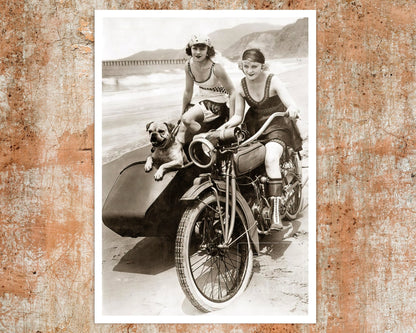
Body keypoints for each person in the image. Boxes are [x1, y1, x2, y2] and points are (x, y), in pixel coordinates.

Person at [219, 48, 303, 231]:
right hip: (254, 127)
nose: (249, 70)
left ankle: (275, 214)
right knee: (240, 158)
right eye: (246, 66)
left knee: (271, 157)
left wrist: (293, 109)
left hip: (277, 125)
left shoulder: (273, 80)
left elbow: (290, 103)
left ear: (262, 66)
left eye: (254, 66)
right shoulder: (241, 86)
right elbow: (238, 117)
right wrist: (224, 126)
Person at [178, 34, 235, 144]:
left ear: (208, 50)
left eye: (202, 48)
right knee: (181, 127)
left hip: (217, 102)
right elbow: (188, 91)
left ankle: (205, 136)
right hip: (200, 99)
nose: (198, 52)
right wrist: (182, 111)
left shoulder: (216, 68)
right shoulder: (188, 66)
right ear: (190, 49)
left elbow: (233, 92)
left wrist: (232, 120)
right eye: (195, 48)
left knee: (187, 119)